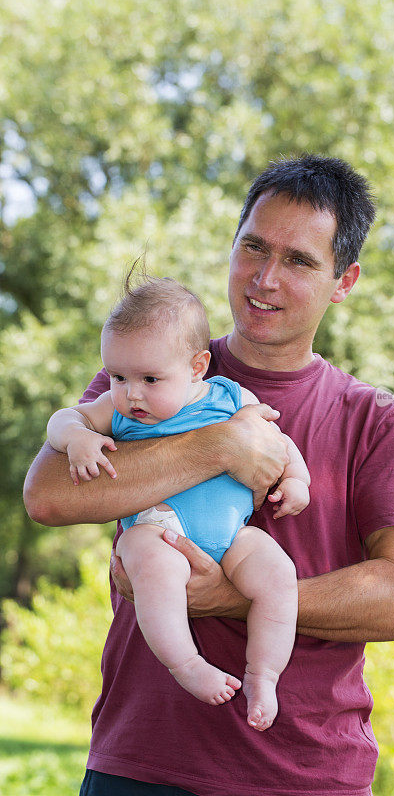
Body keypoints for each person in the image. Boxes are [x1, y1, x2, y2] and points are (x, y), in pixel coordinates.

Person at [24, 154, 394, 796]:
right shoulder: (149, 372)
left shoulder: (374, 420)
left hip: (307, 775)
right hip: (142, 760)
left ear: (344, 279)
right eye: (253, 247)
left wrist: (230, 597)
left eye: (299, 260)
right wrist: (219, 447)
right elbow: (48, 495)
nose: (265, 278)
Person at [46, 272, 309, 729]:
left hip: (231, 536)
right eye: (118, 375)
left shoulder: (230, 398)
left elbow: (278, 441)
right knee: (155, 568)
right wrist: (75, 439)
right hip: (155, 529)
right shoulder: (115, 408)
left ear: (196, 366)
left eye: (150, 378)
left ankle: (262, 674)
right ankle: (186, 664)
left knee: (279, 576)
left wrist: (298, 480)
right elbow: (65, 417)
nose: (132, 393)